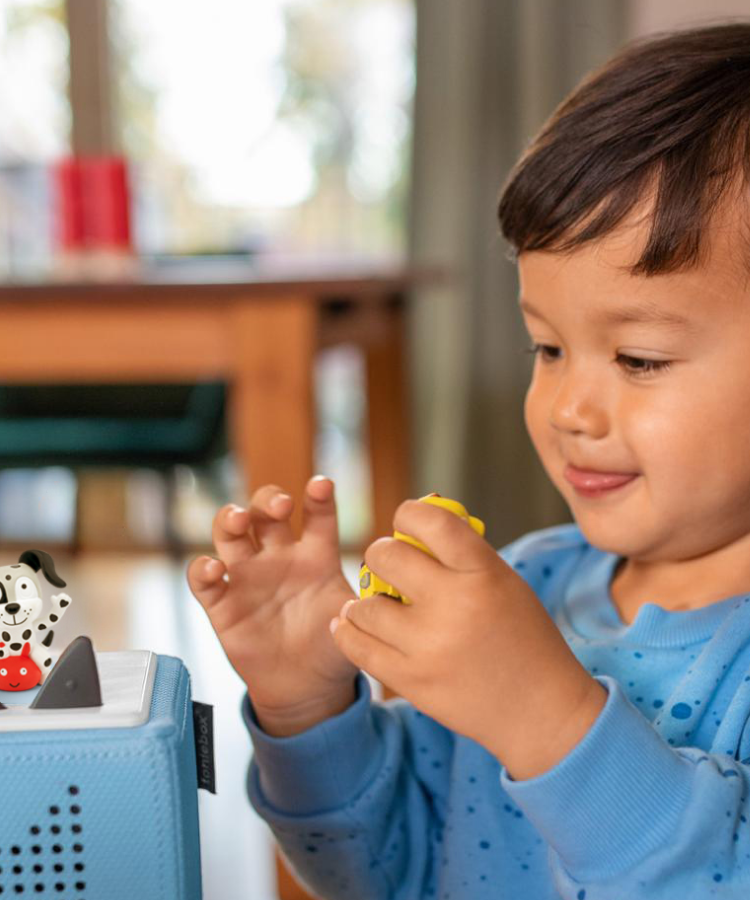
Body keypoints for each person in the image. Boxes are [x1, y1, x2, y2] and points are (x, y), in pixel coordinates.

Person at [187, 22, 750, 899]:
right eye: (547, 348)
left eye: (639, 359)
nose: (568, 409)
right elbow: (388, 869)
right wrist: (308, 711)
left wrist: (545, 715)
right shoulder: (520, 590)